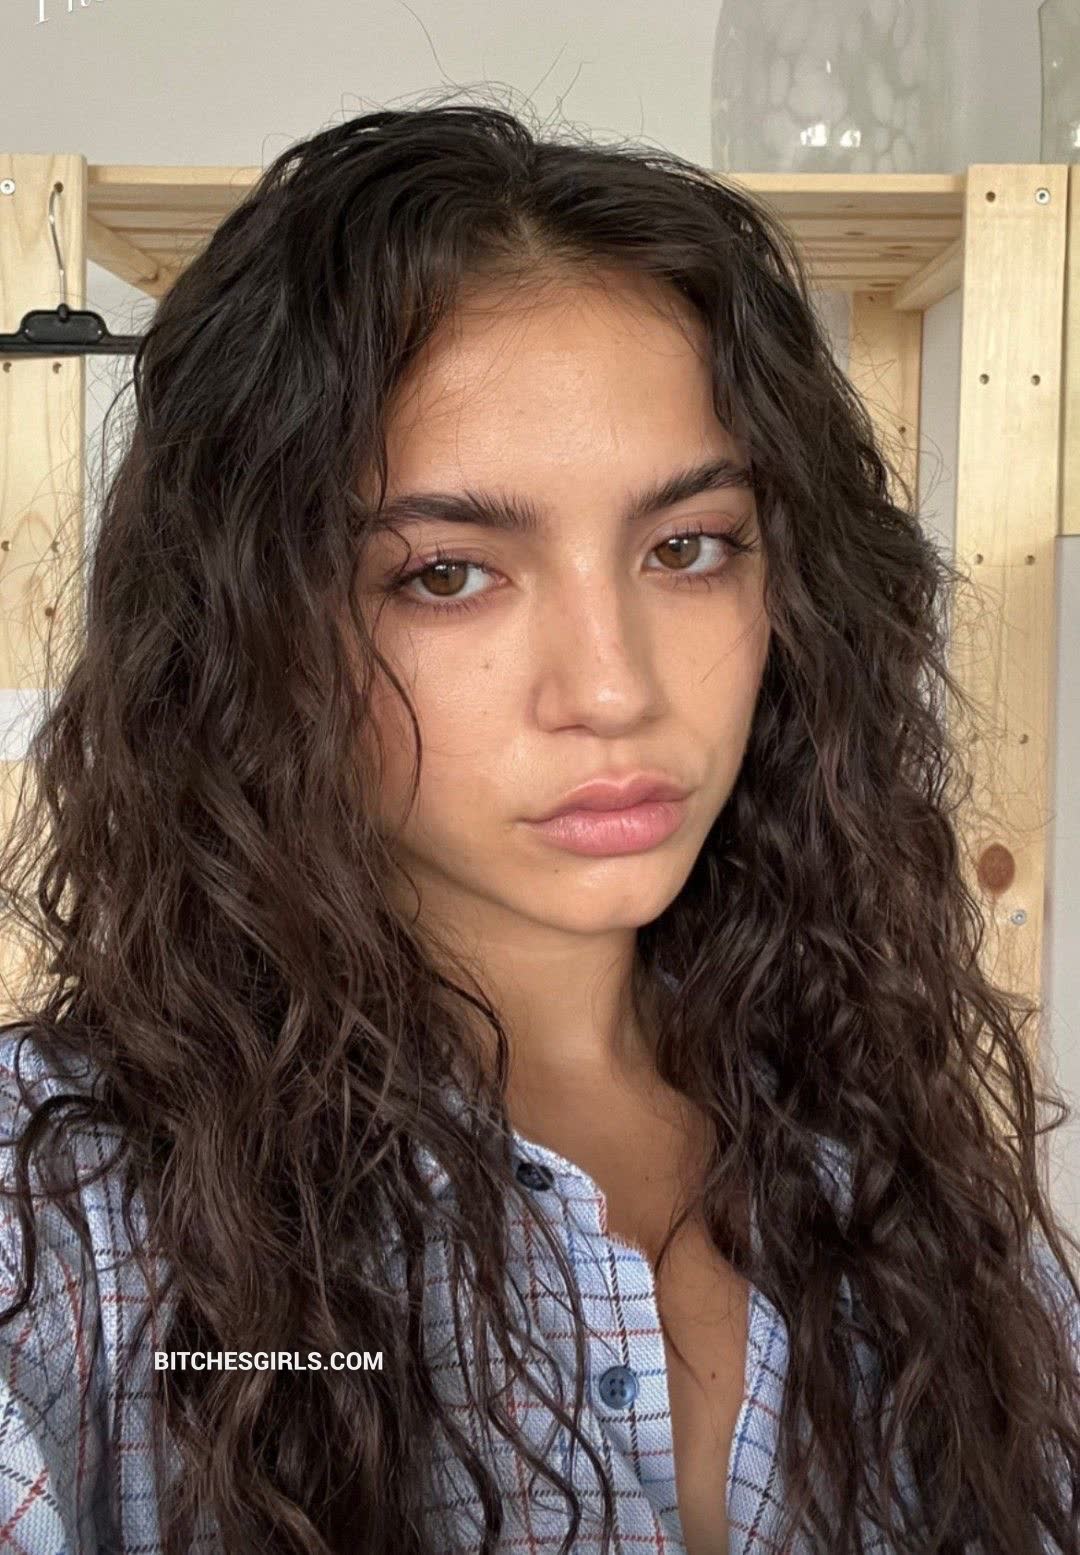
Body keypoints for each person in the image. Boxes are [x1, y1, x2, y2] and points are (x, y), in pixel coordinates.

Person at [0, 95, 1076, 1555]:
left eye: (688, 548)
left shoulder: (894, 1173)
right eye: (447, 574)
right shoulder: (61, 1223)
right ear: (251, 625)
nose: (615, 689)